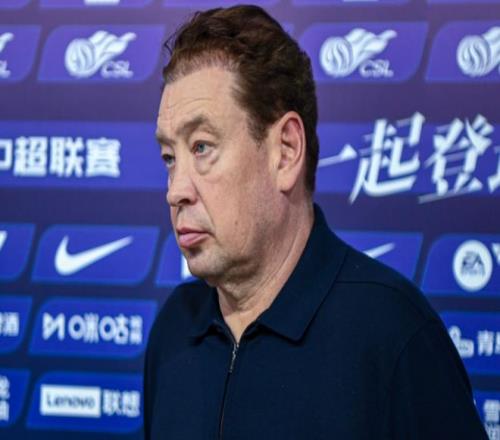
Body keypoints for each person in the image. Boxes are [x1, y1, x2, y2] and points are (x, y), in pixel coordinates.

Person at [144, 5, 487, 439]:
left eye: (202, 147)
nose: (175, 189)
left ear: (285, 152)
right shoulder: (174, 328)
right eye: (169, 157)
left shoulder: (395, 335)